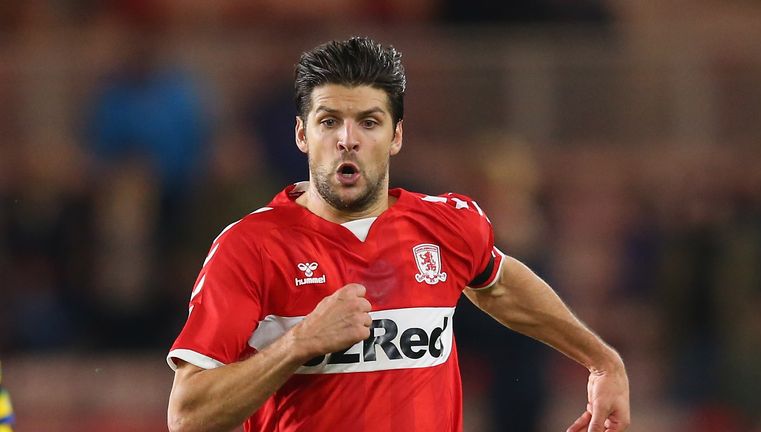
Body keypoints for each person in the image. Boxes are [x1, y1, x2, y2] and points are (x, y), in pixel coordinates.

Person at [166, 36, 630, 432]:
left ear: (396, 136)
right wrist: (299, 344)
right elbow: (188, 416)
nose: (348, 138)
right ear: (302, 135)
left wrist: (601, 360)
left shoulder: (445, 223)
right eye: (329, 121)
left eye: (369, 122)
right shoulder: (250, 247)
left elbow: (501, 286)